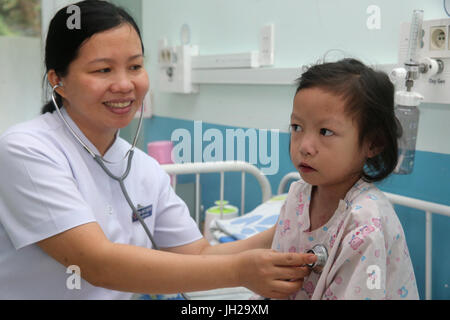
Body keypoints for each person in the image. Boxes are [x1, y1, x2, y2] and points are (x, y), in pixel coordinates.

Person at [0, 0, 315, 300]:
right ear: (58, 81)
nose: (125, 84)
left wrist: (293, 224)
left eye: (135, 66)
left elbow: (198, 255)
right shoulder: (26, 151)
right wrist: (239, 271)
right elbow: (96, 264)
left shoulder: (142, 168)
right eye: (103, 70)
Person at [270, 58, 420, 299]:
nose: (304, 146)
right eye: (297, 127)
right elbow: (276, 280)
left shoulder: (366, 223)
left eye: (325, 132)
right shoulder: (298, 194)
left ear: (373, 143)